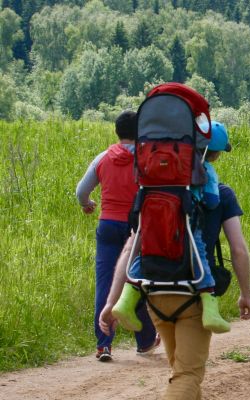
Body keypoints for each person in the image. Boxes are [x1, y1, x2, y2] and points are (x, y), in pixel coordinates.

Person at [100, 181, 250, 399]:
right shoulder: (221, 194)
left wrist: (111, 301)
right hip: (194, 297)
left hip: (155, 296)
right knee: (187, 375)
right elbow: (238, 250)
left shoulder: (151, 191)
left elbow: (130, 248)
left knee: (181, 371)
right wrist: (246, 294)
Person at [112, 122, 232, 334]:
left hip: (155, 219)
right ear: (213, 153)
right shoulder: (206, 169)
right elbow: (213, 201)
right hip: (185, 220)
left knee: (147, 251)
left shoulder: (168, 159)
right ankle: (210, 307)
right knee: (200, 256)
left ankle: (125, 300)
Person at [75, 110, 158, 362]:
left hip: (108, 225)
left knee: (105, 283)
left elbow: (81, 191)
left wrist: (88, 203)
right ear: (140, 133)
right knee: (136, 282)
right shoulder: (146, 159)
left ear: (116, 131)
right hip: (138, 229)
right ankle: (144, 341)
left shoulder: (102, 158)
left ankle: (103, 345)